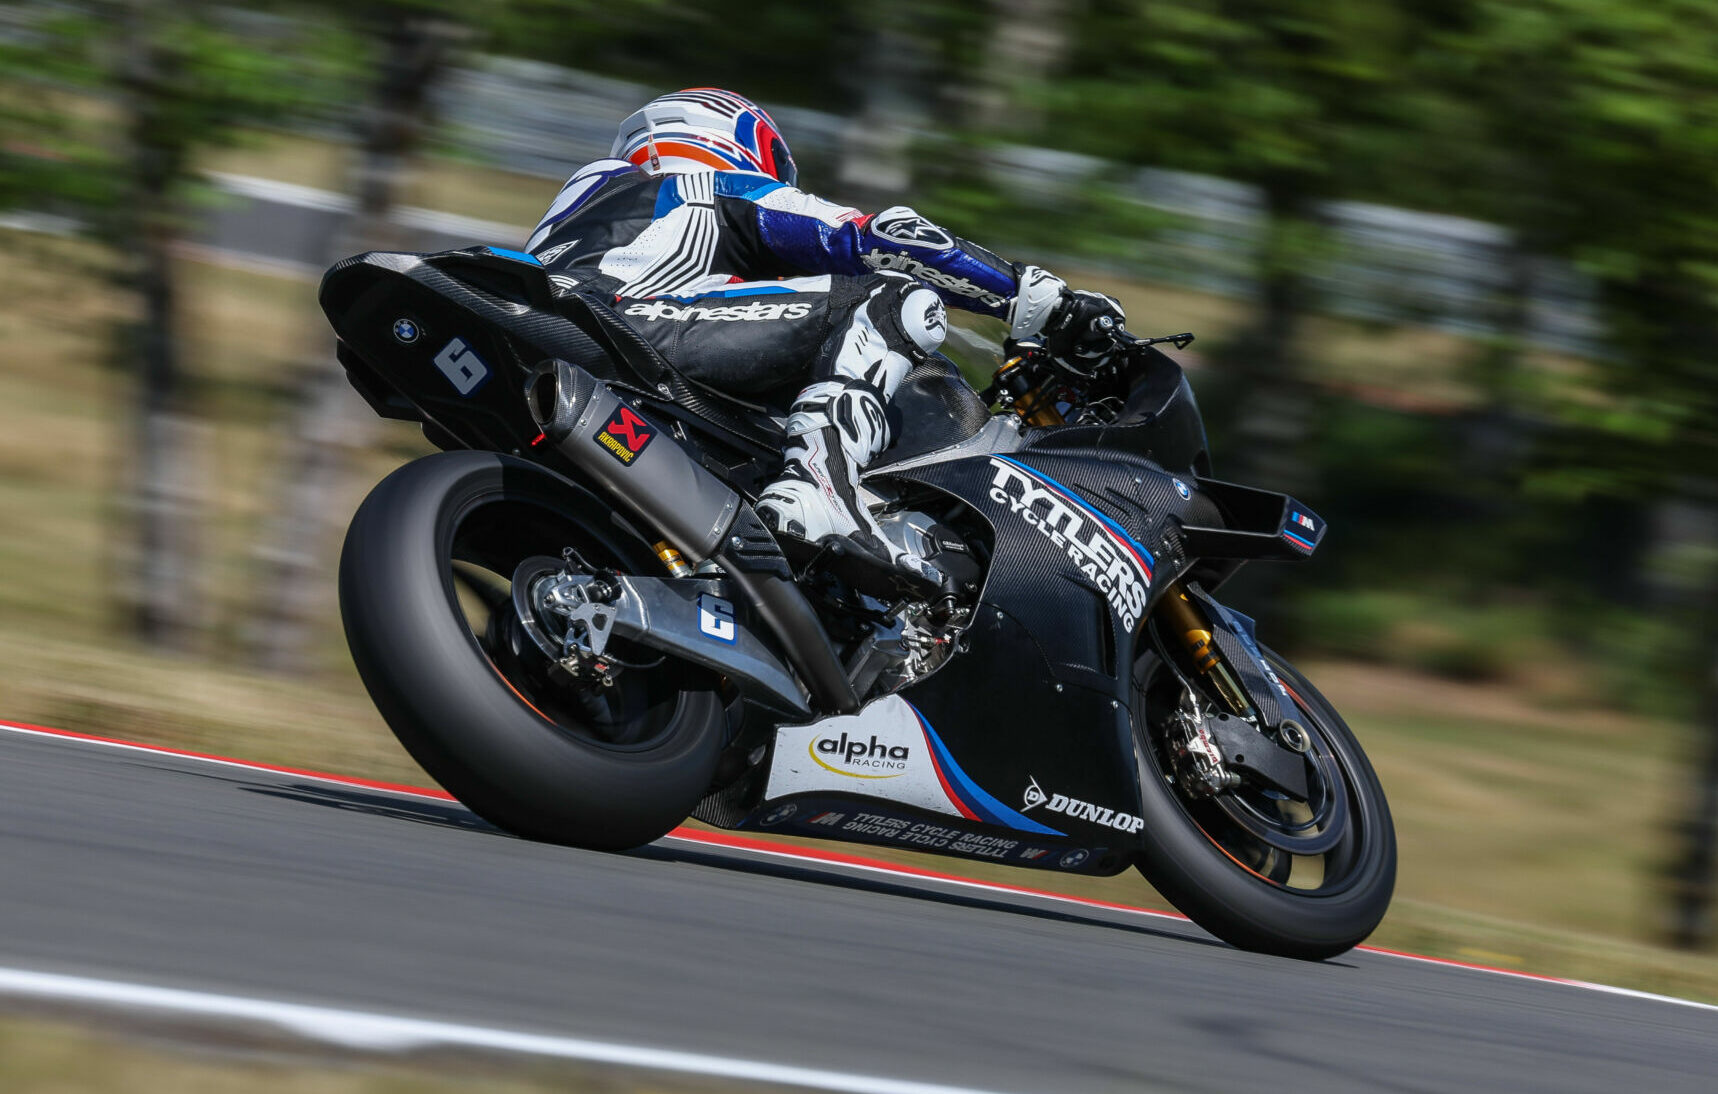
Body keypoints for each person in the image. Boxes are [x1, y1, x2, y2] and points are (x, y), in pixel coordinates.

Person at [526, 87, 1127, 588]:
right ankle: (821, 484)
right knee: (893, 296)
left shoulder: (594, 205)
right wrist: (1036, 301)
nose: (776, 181)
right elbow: (886, 237)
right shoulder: (705, 185)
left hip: (573, 359)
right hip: (641, 323)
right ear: (735, 142)